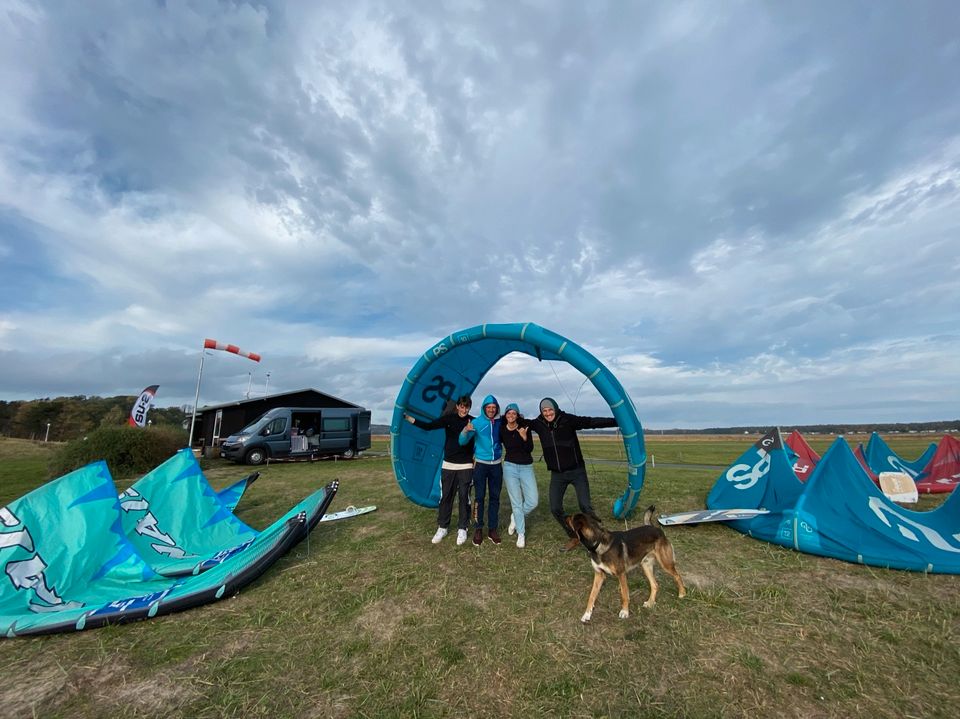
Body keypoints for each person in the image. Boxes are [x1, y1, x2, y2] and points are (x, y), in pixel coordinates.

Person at [526, 397, 617, 551]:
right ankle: (574, 536)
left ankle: (599, 537)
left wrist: (616, 421)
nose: (548, 413)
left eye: (550, 410)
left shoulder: (567, 419)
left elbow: (590, 422)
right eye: (544, 410)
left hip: (576, 471)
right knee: (555, 507)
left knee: (585, 506)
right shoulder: (538, 424)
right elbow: (515, 420)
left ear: (555, 408)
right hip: (557, 475)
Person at [403, 395, 475, 545]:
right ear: (457, 406)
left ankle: (463, 527)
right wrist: (409, 418)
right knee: (446, 496)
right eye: (462, 406)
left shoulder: (473, 421)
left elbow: (486, 435)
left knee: (464, 496)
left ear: (469, 408)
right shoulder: (449, 419)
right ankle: (443, 526)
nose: (464, 409)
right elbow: (429, 426)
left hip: (466, 465)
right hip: (448, 464)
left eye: (467, 407)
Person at [462, 394, 503, 545]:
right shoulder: (476, 422)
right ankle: (478, 529)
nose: (491, 410)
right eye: (489, 407)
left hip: (497, 465)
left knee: (495, 497)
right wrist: (465, 431)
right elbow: (462, 441)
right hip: (480, 465)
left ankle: (492, 529)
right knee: (479, 497)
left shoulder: (500, 422)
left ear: (496, 409)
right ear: (484, 408)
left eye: (494, 408)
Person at [499, 402, 537, 548]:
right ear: (506, 415)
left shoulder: (523, 428)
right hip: (510, 468)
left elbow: (530, 449)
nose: (511, 415)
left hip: (526, 467)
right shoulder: (502, 430)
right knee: (516, 502)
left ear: (517, 415)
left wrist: (524, 437)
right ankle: (521, 533)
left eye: (514, 413)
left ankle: (515, 516)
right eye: (509, 413)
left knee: (533, 501)